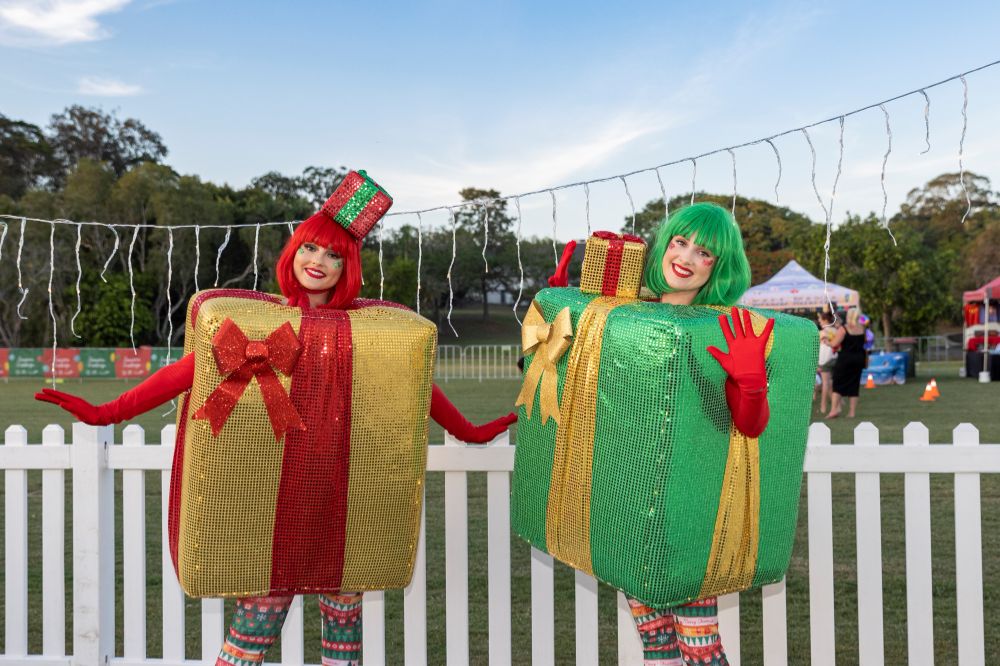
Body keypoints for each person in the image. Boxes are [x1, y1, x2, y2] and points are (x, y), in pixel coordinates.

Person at [36, 173, 516, 666]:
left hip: (344, 500)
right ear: (293, 252)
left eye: (335, 256)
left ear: (348, 267)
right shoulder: (258, 323)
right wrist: (106, 413)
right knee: (252, 629)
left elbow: (414, 385)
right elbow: (190, 371)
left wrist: (470, 431)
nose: (320, 262)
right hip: (273, 507)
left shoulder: (368, 332)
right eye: (312, 248)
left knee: (344, 630)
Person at [548, 203, 770, 666]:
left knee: (701, 648)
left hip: (688, 510)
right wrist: (561, 316)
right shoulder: (624, 316)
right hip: (627, 502)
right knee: (657, 646)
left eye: (704, 252)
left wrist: (749, 382)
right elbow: (573, 386)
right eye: (680, 242)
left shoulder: (724, 326)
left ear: (719, 266)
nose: (686, 257)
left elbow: (751, 427)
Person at [826, 307, 867, 419]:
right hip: (859, 359)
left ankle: (834, 410)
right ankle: (852, 413)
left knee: (838, 383)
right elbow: (865, 341)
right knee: (854, 385)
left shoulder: (844, 329)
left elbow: (834, 343)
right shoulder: (862, 328)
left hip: (845, 359)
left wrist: (826, 341)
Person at [817, 311, 837, 414]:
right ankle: (837, 404)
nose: (819, 322)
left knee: (825, 383)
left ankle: (823, 406)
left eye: (820, 320)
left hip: (824, 359)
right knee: (830, 383)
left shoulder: (823, 332)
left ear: (825, 320)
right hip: (834, 357)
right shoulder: (835, 330)